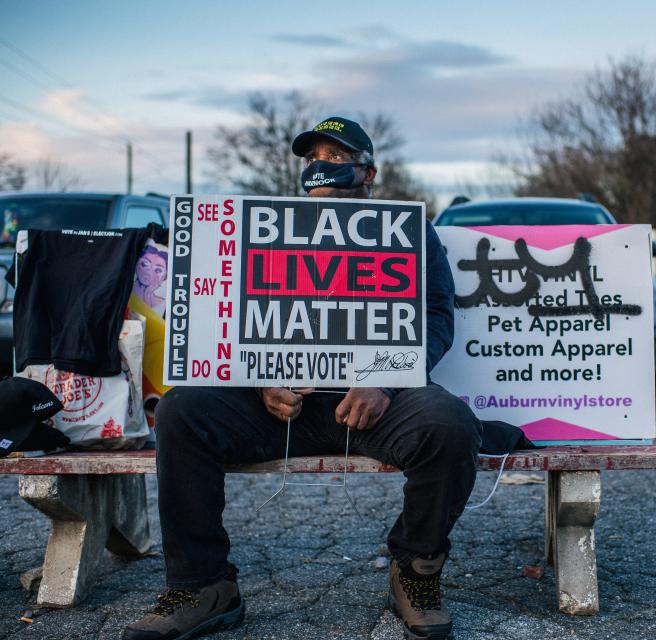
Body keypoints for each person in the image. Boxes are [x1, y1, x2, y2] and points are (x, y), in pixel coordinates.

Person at [123, 116, 482, 640]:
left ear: (368, 173)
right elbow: (229, 316)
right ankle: (202, 586)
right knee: (182, 411)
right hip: (279, 406)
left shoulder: (407, 231)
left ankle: (415, 570)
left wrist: (381, 380)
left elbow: (437, 315)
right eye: (312, 158)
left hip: (373, 404)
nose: (321, 167)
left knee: (450, 423)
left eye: (336, 158)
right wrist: (258, 378)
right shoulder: (264, 225)